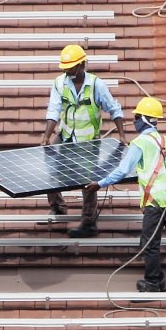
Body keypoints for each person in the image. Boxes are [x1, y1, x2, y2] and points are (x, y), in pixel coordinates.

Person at [85, 97, 166, 293]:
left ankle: (152, 283)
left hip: (155, 203)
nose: (134, 120)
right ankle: (159, 280)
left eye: (136, 117)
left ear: (144, 119)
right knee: (149, 241)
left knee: (150, 244)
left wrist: (99, 184)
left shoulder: (140, 143)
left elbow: (122, 170)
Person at [39, 44, 127, 238]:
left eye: (70, 67)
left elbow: (114, 109)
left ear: (81, 65)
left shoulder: (96, 85)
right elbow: (53, 110)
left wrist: (121, 135)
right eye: (65, 67)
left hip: (88, 140)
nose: (66, 71)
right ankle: (58, 206)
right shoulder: (59, 83)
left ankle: (88, 222)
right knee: (49, 164)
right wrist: (47, 136)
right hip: (66, 134)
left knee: (88, 180)